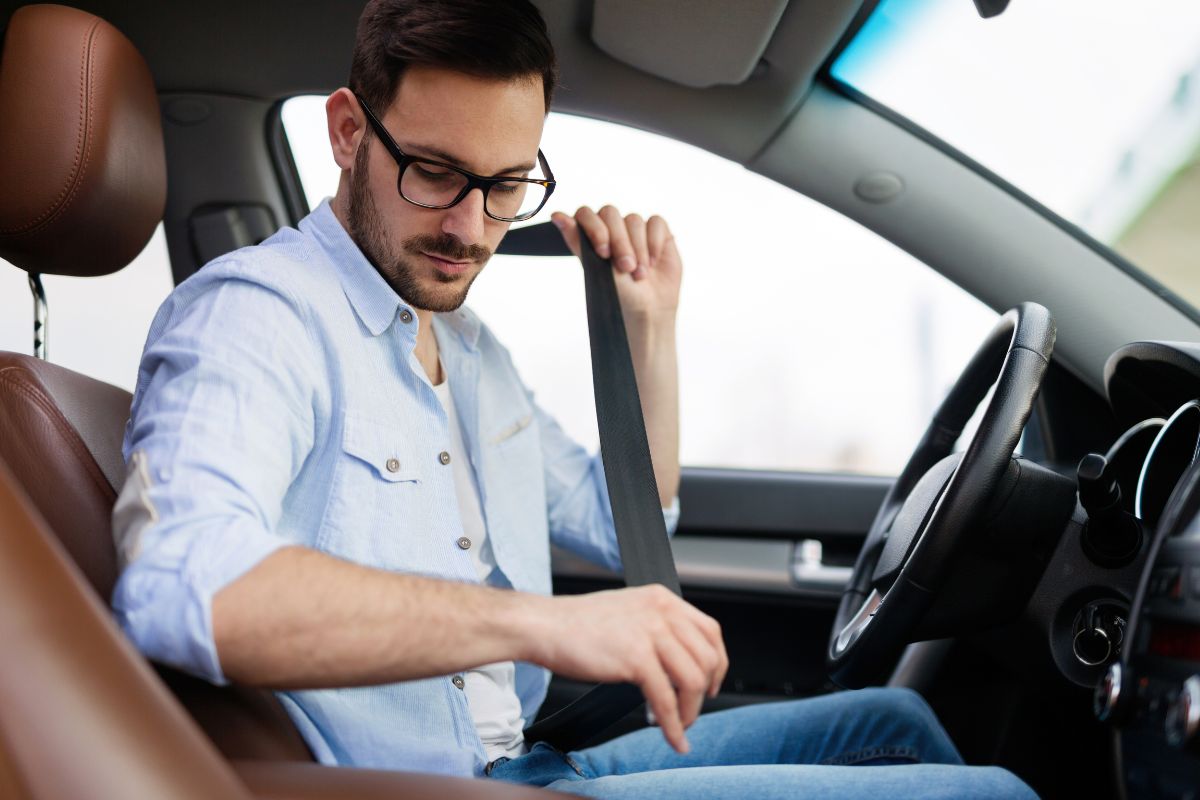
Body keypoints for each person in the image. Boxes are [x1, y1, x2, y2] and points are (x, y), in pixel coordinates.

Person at [110, 1, 1037, 797]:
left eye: (507, 185)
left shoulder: (468, 347)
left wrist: (650, 331)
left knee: (897, 720)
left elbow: (625, 521)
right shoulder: (256, 315)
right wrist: (550, 625)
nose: (470, 229)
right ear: (350, 132)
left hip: (527, 763)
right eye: (434, 172)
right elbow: (184, 580)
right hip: (427, 788)